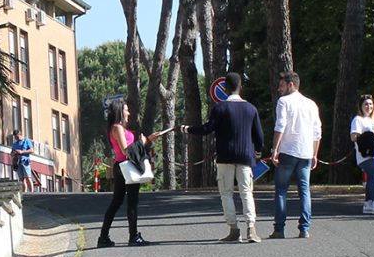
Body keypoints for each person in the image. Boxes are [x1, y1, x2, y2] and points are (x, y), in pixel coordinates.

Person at [181, 72, 265, 242]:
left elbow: (207, 129)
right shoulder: (251, 109)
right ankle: (251, 229)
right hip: (245, 156)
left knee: (226, 193)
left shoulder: (219, 108)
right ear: (240, 87)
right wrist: (257, 153)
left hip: (225, 156)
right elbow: (259, 136)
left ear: (225, 88)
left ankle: (234, 229)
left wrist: (186, 129)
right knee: (246, 192)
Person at [98, 99, 169, 247]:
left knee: (117, 202)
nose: (128, 112)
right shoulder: (117, 128)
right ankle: (133, 236)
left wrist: (147, 140)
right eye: (126, 110)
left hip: (121, 167)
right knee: (131, 202)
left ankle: (104, 237)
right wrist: (144, 141)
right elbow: (126, 151)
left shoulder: (116, 127)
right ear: (119, 111)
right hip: (126, 167)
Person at [269, 72, 322, 238]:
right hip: (306, 152)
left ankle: (279, 228)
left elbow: (280, 126)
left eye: (282, 85)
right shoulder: (311, 104)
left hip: (288, 150)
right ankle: (304, 228)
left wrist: (274, 150)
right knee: (304, 191)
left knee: (281, 190)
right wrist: (315, 154)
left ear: (291, 84)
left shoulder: (284, 102)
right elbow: (317, 131)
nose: (279, 89)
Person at [349, 95, 374, 215]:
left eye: (370, 104)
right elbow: (354, 137)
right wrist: (369, 136)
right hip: (365, 155)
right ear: (360, 106)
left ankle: (368, 203)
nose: (368, 106)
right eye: (366, 104)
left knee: (373, 178)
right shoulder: (358, 120)